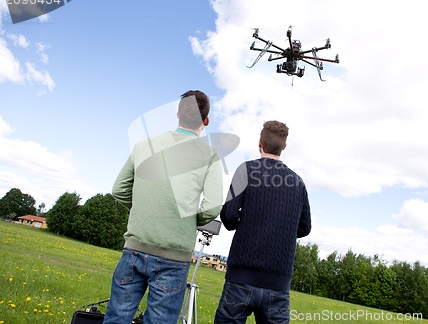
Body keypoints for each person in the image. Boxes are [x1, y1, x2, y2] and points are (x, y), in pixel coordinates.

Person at [104, 90, 223, 324]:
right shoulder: (209, 155)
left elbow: (119, 189)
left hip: (134, 247)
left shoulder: (142, 145)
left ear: (177, 114)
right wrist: (185, 219)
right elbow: (212, 207)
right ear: (206, 121)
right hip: (174, 257)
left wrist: (143, 208)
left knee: (117, 317)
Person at [214, 120, 311, 324]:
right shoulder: (298, 182)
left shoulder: (246, 170)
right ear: (284, 147)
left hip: (240, 279)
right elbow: (304, 227)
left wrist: (250, 222)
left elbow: (229, 216)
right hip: (278, 284)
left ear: (260, 142)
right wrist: (279, 227)